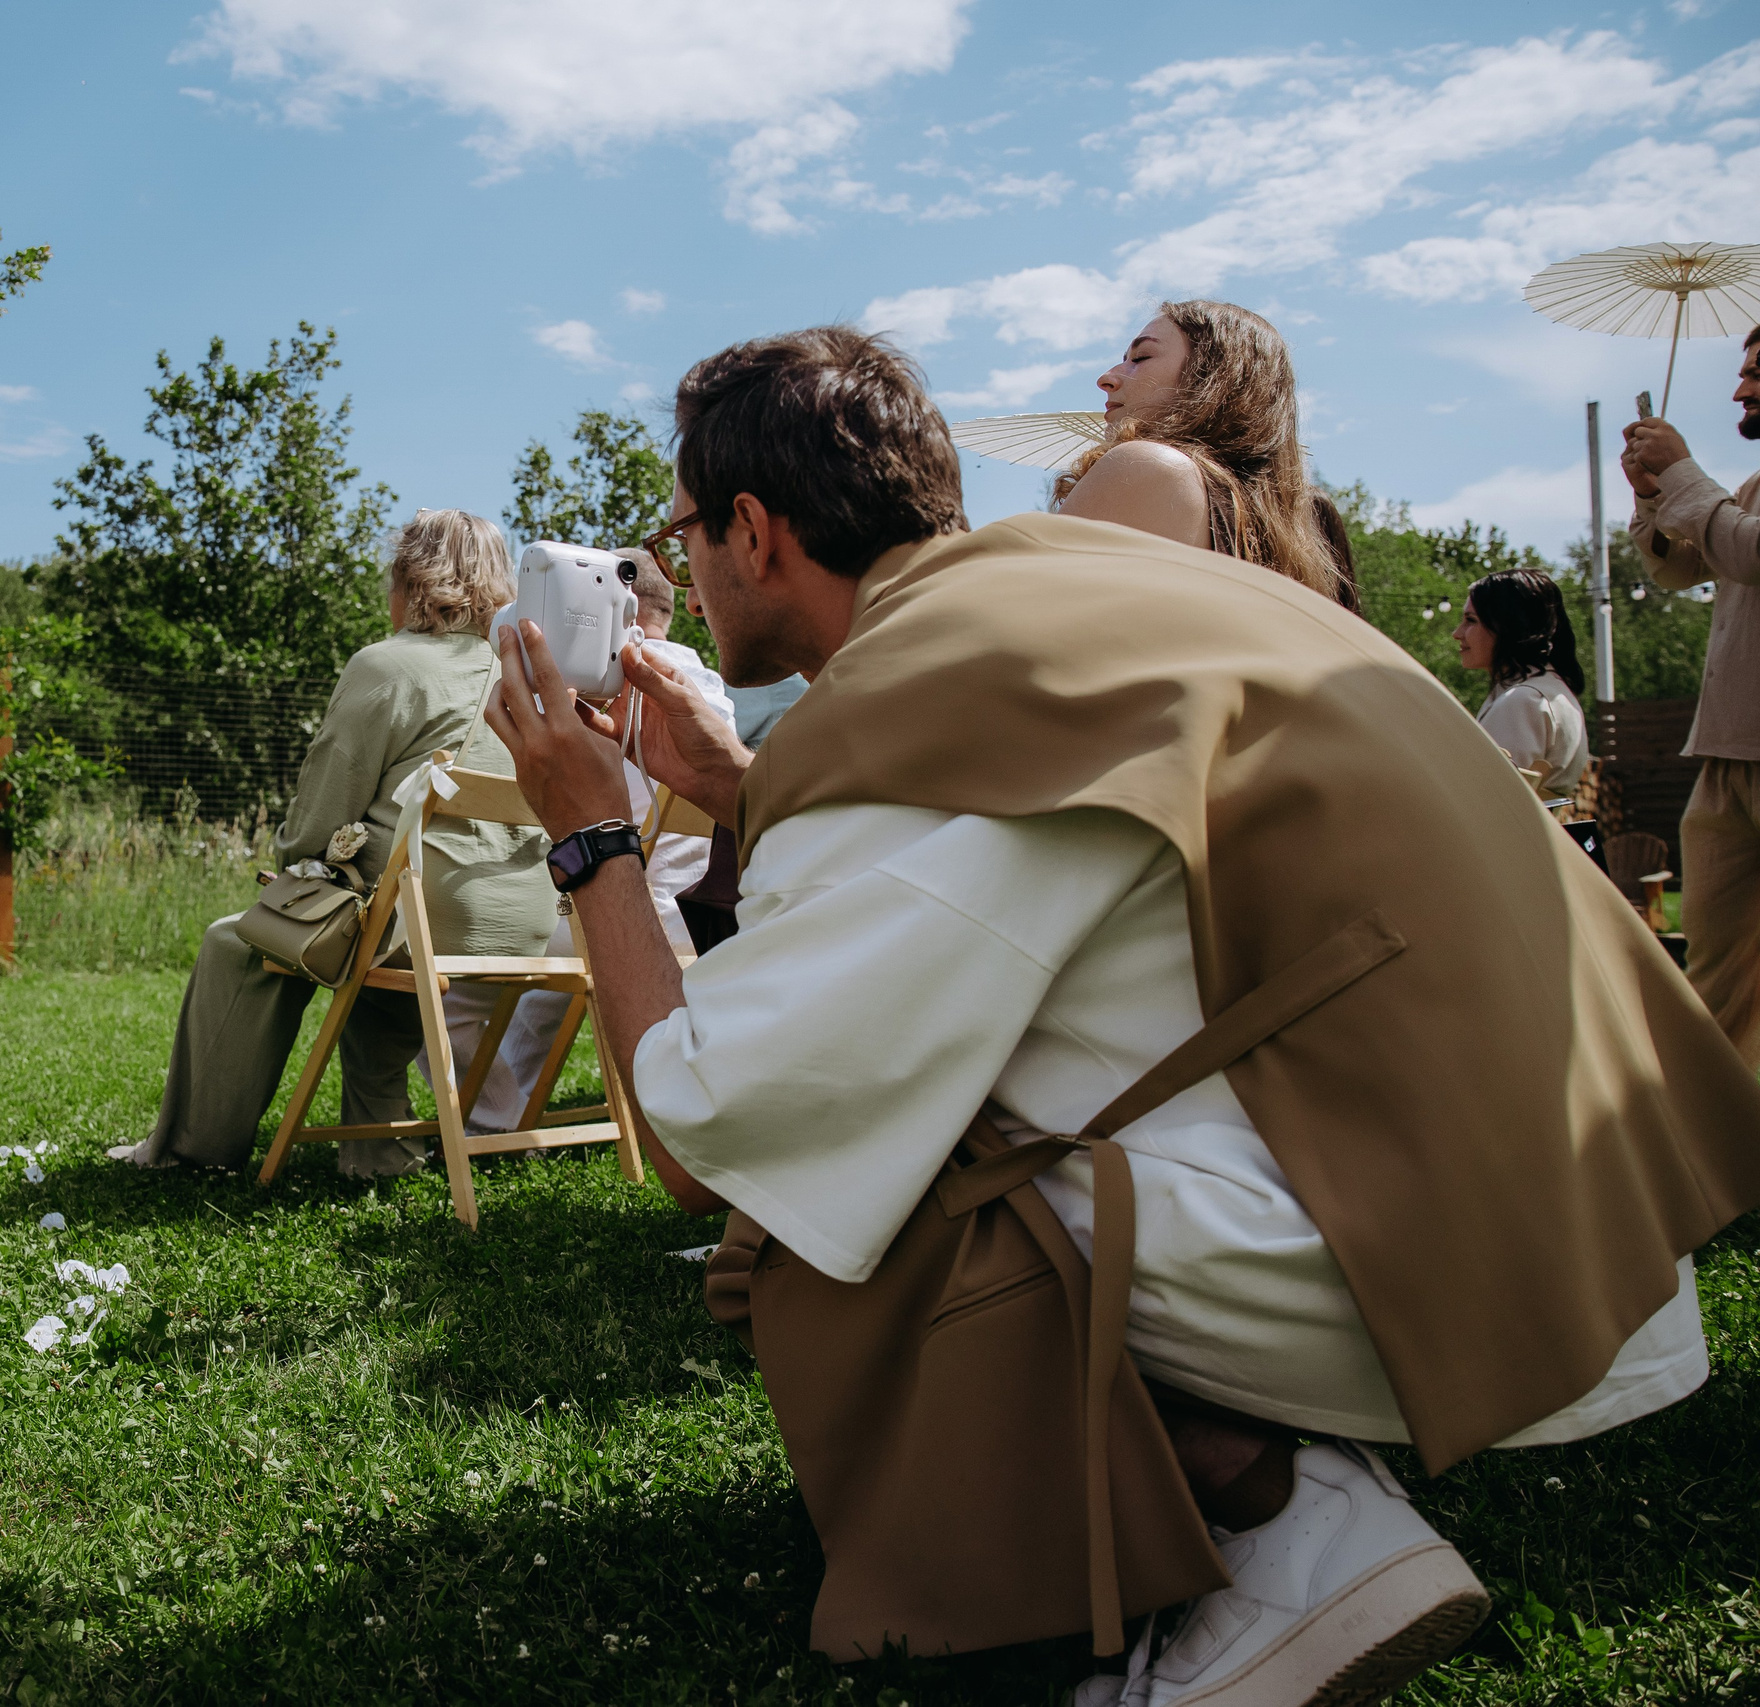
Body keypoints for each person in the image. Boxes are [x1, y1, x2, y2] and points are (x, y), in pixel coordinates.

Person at [487, 325, 1760, 1702]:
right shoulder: (1060, 601)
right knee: (916, 1092)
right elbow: (1011, 850)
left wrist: (591, 836)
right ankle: (1251, 1462)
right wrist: (745, 785)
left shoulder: (918, 709)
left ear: (753, 527)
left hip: (1482, 1280)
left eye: (683, 527)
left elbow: (701, 1129)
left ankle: (1286, 1516)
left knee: (833, 1183)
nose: (677, 558)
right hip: (1591, 1216)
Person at [115, 509, 554, 1177]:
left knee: (238, 943)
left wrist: (294, 864)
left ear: (411, 579)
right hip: (524, 919)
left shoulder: (388, 665)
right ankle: (379, 1148)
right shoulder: (524, 674)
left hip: (425, 918)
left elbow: (323, 813)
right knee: (379, 958)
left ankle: (188, 1150)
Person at [420, 548, 734, 1133]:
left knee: (454, 977)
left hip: (611, 908)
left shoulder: (587, 689)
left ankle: (493, 1121)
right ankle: (517, 1113)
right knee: (549, 969)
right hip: (695, 927)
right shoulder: (711, 694)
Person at [1624, 324, 1760, 1062]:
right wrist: (1651, 499)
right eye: (1742, 371)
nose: (1740, 388)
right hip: (1726, 757)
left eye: (1757, 372)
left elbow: (1748, 551)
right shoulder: (1751, 489)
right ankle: (1718, 1155)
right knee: (1714, 984)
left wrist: (1680, 473)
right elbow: (1681, 570)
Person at [1056, 300, 1361, 610]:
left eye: (1141, 357)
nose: (1106, 378)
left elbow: (1033, 616)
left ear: (1210, 378)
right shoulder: (1276, 531)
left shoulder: (1147, 466)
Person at [1451, 569, 1588, 796]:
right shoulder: (1549, 690)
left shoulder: (1523, 701)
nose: (1458, 633)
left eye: (1471, 620)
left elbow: (1489, 800)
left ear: (1508, 625)